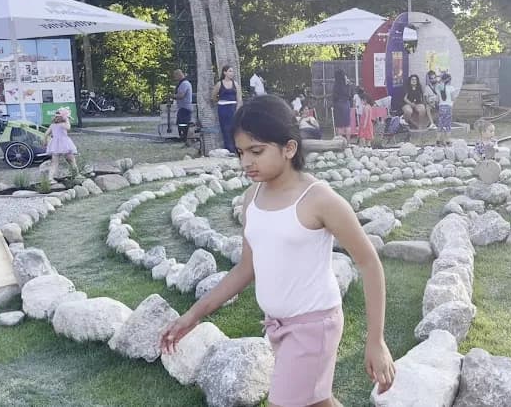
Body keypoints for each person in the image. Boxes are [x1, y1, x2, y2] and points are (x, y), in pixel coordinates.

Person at [160, 95, 396, 406]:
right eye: (241, 152)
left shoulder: (320, 200)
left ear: (289, 148)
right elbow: (246, 268)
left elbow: (368, 263)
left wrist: (376, 340)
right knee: (318, 402)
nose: (246, 162)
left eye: (256, 151)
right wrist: (193, 315)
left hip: (313, 327)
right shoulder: (252, 198)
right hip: (277, 325)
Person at [212, 65, 243, 153]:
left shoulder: (235, 84)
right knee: (225, 129)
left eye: (232, 71)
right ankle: (229, 149)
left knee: (234, 128)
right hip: (223, 108)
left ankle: (237, 148)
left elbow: (239, 98)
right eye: (229, 71)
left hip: (233, 108)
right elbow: (213, 96)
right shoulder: (219, 84)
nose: (231, 73)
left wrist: (238, 109)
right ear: (224, 72)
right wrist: (219, 101)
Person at [43, 108, 79, 181]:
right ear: (63, 117)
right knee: (72, 160)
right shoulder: (63, 124)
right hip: (65, 145)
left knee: (54, 163)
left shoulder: (52, 125)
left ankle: (50, 178)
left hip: (55, 145)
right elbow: (68, 128)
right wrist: (67, 120)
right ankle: (77, 175)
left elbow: (46, 134)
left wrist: (45, 142)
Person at [172, 69, 193, 146]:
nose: (175, 78)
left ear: (179, 75)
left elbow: (181, 95)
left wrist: (172, 96)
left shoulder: (184, 84)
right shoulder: (183, 83)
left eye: (175, 76)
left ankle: (184, 137)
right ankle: (182, 137)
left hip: (185, 108)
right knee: (180, 123)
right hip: (182, 108)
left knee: (183, 124)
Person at [435, 72, 456, 146]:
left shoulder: (439, 87)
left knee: (440, 124)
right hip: (448, 107)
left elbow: (437, 99)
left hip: (441, 107)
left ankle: (438, 140)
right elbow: (453, 98)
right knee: (448, 124)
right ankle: (448, 140)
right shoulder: (451, 88)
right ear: (449, 80)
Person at [332, 69, 352, 141]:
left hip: (338, 104)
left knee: (339, 125)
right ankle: (348, 142)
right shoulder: (347, 84)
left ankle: (339, 142)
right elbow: (350, 95)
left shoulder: (336, 85)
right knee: (347, 124)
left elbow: (334, 96)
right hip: (346, 104)